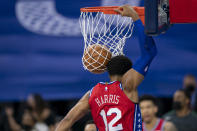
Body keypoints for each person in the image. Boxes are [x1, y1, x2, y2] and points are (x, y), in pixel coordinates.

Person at [56, 5, 157, 131]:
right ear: (128, 73)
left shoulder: (92, 94)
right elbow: (149, 52)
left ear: (108, 71)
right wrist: (135, 17)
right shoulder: (127, 86)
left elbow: (67, 120)